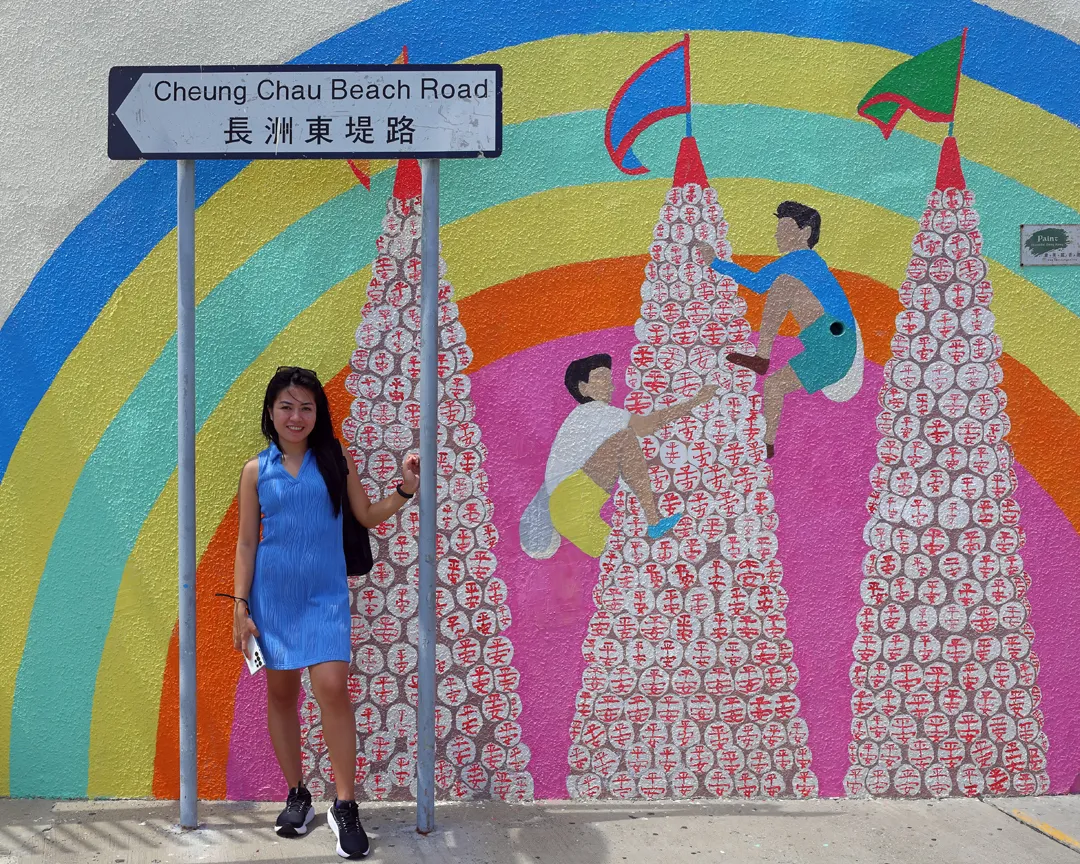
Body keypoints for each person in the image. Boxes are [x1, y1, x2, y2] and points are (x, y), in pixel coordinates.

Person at [230, 366, 418, 860]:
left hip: (325, 597)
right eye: (287, 406)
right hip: (273, 599)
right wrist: (241, 608)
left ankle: (345, 804)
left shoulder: (334, 459)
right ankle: (297, 794)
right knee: (282, 692)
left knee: (333, 688)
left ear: (319, 413)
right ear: (271, 412)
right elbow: (247, 542)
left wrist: (405, 489)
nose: (296, 416)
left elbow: (365, 516)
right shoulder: (256, 471)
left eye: (306, 407)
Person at [691, 201, 861, 458]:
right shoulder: (800, 262)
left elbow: (757, 283)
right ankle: (768, 444)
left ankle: (762, 356)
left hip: (835, 341)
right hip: (831, 357)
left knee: (783, 284)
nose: (777, 234)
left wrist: (715, 262)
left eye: (784, 227)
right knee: (773, 386)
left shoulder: (803, 258)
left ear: (804, 233)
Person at [520, 354, 715, 559]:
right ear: (584, 388)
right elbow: (647, 425)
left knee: (625, 559)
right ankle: (653, 521)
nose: (609, 385)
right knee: (624, 439)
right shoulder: (593, 412)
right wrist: (696, 401)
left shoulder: (584, 417)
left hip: (570, 513)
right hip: (570, 501)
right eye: (600, 378)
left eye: (609, 378)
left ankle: (653, 525)